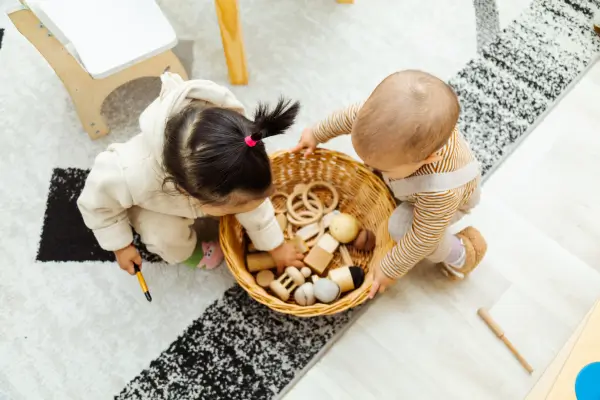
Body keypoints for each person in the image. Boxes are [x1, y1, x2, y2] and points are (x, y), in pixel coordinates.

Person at [78, 72, 304, 274]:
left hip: (199, 185)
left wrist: (275, 245)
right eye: (236, 207)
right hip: (150, 202)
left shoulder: (238, 147)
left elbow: (253, 205)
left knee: (247, 199)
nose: (248, 209)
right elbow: (96, 204)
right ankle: (193, 253)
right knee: (165, 237)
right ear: (186, 191)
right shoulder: (127, 174)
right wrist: (120, 245)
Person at [291, 70, 487, 298]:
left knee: (400, 227)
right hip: (412, 183)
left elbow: (422, 239)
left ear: (426, 160)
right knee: (381, 175)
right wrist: (316, 134)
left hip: (451, 203)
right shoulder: (379, 123)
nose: (367, 165)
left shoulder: (439, 191)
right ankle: (394, 183)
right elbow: (347, 118)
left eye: (385, 168)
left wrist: (390, 268)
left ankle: (460, 253)